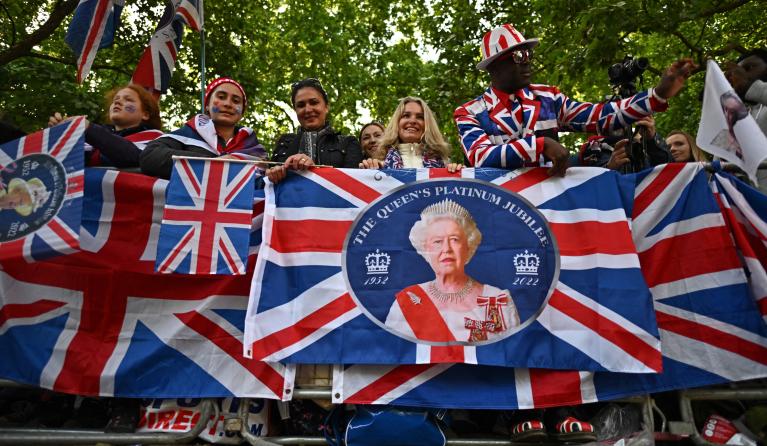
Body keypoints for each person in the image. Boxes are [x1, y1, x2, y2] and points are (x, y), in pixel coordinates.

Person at [454, 24, 696, 177]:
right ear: (495, 66)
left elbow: (601, 116)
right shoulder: (470, 112)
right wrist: (540, 145)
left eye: (529, 53)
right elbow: (481, 156)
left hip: (551, 211)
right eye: (519, 55)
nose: (527, 60)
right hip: (501, 211)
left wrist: (657, 94)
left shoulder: (549, 98)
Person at [384, 199, 519, 343]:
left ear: (468, 246)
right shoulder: (407, 301)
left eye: (454, 240)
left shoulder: (496, 300)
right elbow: (392, 353)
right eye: (437, 241)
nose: (447, 249)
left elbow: (512, 354)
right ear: (425, 249)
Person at [140, 77, 266, 179]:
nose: (228, 104)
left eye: (236, 101)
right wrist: (214, 162)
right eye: (221, 97)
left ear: (242, 112)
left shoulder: (254, 149)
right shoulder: (187, 134)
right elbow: (150, 157)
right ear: (207, 106)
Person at [266, 78, 363, 184]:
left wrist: (315, 170)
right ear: (296, 111)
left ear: (326, 107)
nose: (307, 109)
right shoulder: (284, 143)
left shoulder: (348, 143)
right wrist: (272, 174)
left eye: (314, 102)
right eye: (301, 105)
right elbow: (267, 185)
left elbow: (353, 185)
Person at [48, 84, 163, 168]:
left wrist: (88, 129)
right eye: (115, 100)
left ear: (145, 114)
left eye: (128, 100)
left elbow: (138, 158)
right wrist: (59, 134)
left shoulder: (157, 138)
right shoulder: (89, 138)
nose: (117, 102)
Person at [359, 97, 462, 172]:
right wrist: (368, 172)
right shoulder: (379, 164)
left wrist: (460, 174)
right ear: (397, 123)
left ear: (427, 125)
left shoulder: (444, 164)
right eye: (406, 115)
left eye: (420, 117)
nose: (412, 121)